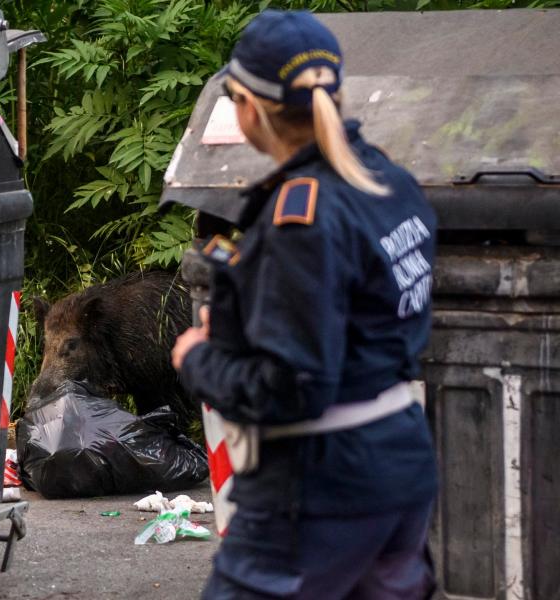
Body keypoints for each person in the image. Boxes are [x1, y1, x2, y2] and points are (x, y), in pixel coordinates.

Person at [171, 10, 438, 600]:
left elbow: (294, 384)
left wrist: (196, 357)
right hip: (401, 459)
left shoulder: (304, 213)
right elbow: (360, 315)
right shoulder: (389, 182)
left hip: (320, 482)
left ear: (248, 107)